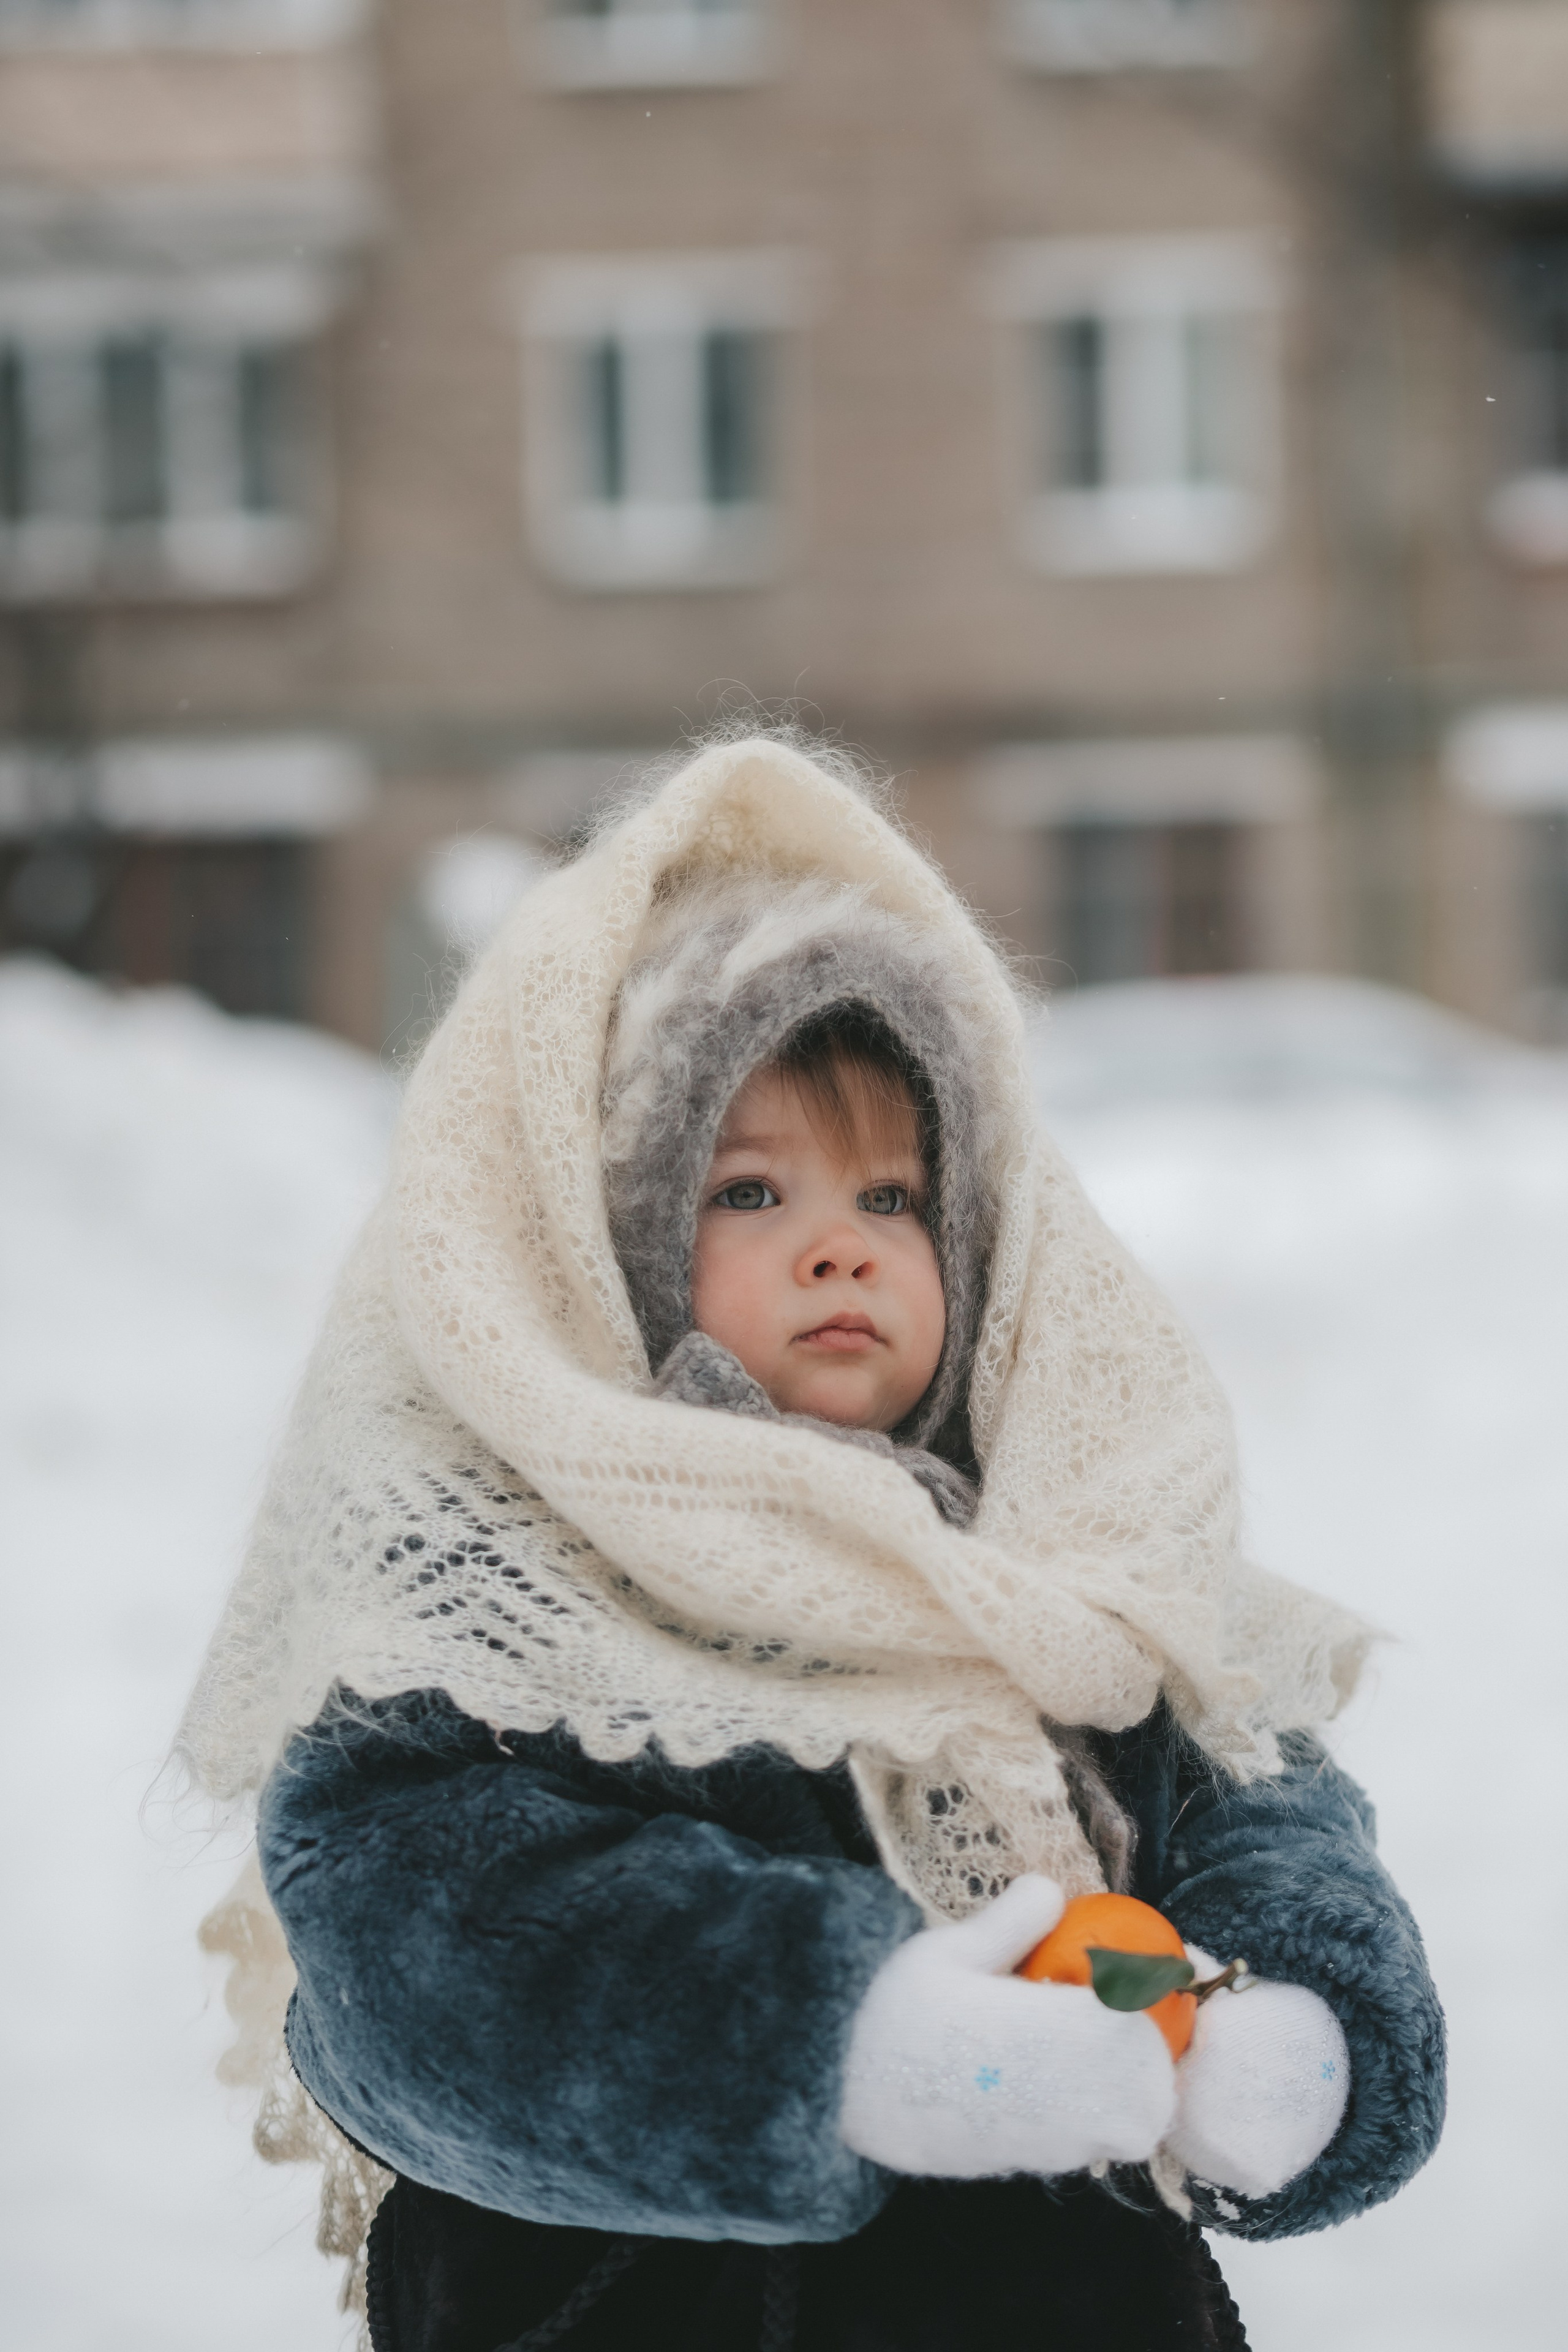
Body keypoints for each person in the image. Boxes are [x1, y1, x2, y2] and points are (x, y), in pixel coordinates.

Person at [182, 736, 1445, 2352]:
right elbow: (417, 1956)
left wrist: (1298, 2031)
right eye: (751, 1192)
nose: (842, 1245)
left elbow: (1258, 1800)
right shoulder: (497, 1580)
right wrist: (836, 2037)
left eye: (895, 1198)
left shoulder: (1063, 1548)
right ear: (598, 1231)